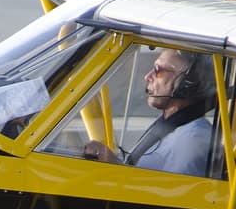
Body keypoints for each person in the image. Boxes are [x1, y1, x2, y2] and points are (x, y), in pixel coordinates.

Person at [83, 49, 215, 177]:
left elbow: (172, 191)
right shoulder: (170, 124)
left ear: (187, 83)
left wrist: (116, 167)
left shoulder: (192, 138)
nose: (147, 76)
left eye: (158, 70)